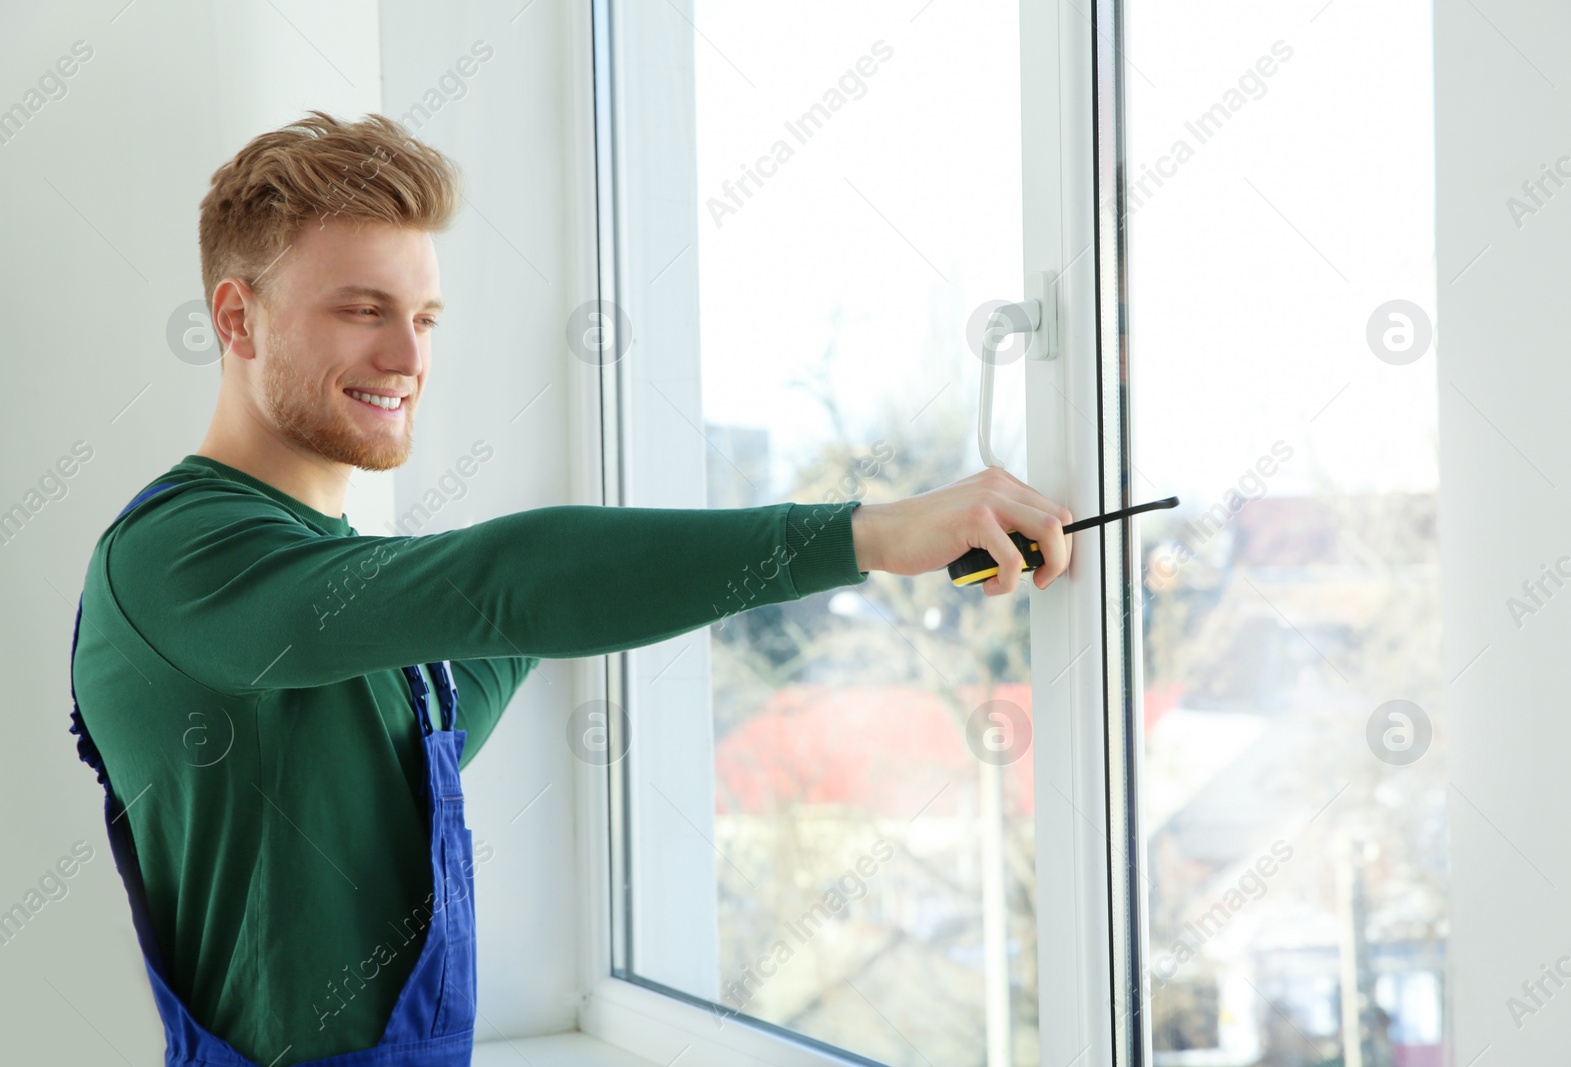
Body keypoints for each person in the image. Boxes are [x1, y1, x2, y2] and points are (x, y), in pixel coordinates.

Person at [67, 109, 1074, 1067]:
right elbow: (506, 584)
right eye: (362, 310)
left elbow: (530, 608)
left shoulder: (367, 627)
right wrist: (866, 531)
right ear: (237, 320)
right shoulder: (177, 559)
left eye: (423, 315)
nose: (410, 356)